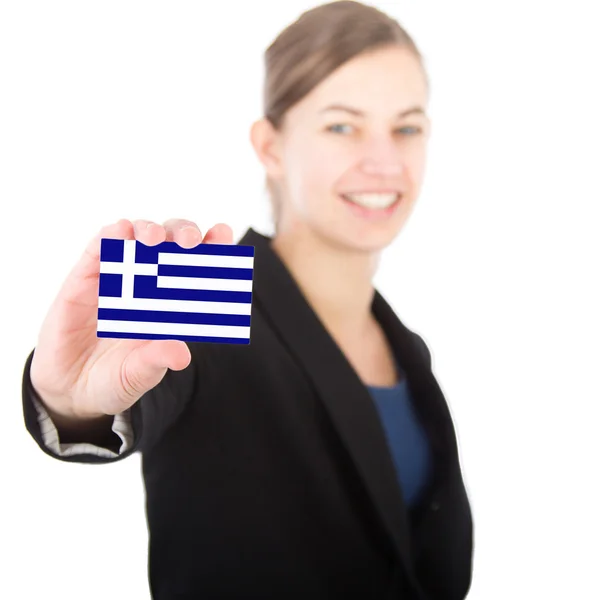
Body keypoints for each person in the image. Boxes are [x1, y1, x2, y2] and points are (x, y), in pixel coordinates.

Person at [21, 2, 474, 598]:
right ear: (271, 147)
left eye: (406, 127)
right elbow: (109, 394)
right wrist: (67, 401)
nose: (384, 161)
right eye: (343, 125)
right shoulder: (202, 291)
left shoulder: (408, 348)